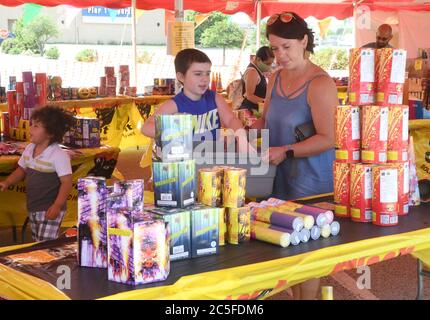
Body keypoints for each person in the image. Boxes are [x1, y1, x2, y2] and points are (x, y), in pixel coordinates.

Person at [252, 11, 338, 300]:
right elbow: (265, 122)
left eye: (287, 47)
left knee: (309, 258)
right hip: (278, 178)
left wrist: (286, 151)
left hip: (311, 181)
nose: (280, 54)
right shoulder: (274, 79)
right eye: (275, 48)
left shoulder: (320, 83)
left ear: (304, 41)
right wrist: (247, 130)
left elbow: (329, 138)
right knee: (286, 254)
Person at [141, 48, 249, 147]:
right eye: (198, 74)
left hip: (212, 161)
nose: (205, 79)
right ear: (181, 77)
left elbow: (231, 120)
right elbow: (146, 127)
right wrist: (175, 131)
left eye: (207, 74)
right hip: (185, 162)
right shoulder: (174, 104)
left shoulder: (215, 98)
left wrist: (242, 139)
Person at [0, 106, 75, 242]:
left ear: (50, 133)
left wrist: (57, 205)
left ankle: (50, 263)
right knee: (37, 242)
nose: (30, 129)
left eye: (36, 126)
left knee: (45, 245)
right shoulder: (29, 149)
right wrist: (7, 182)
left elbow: (67, 182)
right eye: (31, 125)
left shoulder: (58, 155)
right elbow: (21, 170)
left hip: (50, 208)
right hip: (34, 206)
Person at [240, 46, 274, 111]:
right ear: (258, 59)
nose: (269, 66)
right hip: (251, 109)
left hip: (257, 108)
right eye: (267, 63)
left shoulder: (258, 70)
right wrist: (267, 103)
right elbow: (250, 96)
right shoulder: (252, 72)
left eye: (271, 64)